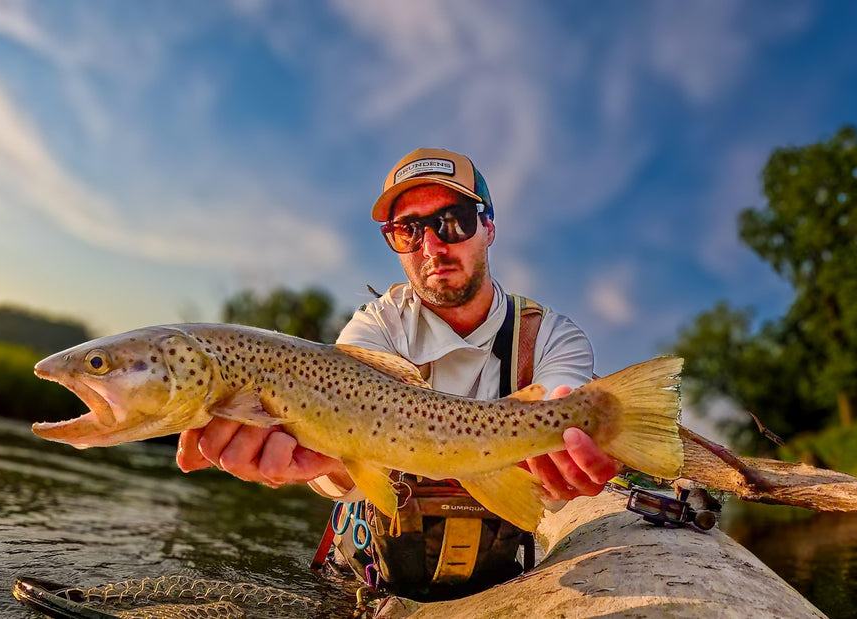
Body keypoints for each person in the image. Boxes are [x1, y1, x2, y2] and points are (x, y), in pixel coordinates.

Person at [175, 148, 620, 598]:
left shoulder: (551, 337)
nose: (432, 247)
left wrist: (572, 446)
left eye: (454, 220)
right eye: (409, 230)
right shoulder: (374, 327)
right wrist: (331, 463)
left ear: (488, 227)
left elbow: (568, 408)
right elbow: (338, 464)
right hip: (365, 578)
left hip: (494, 584)